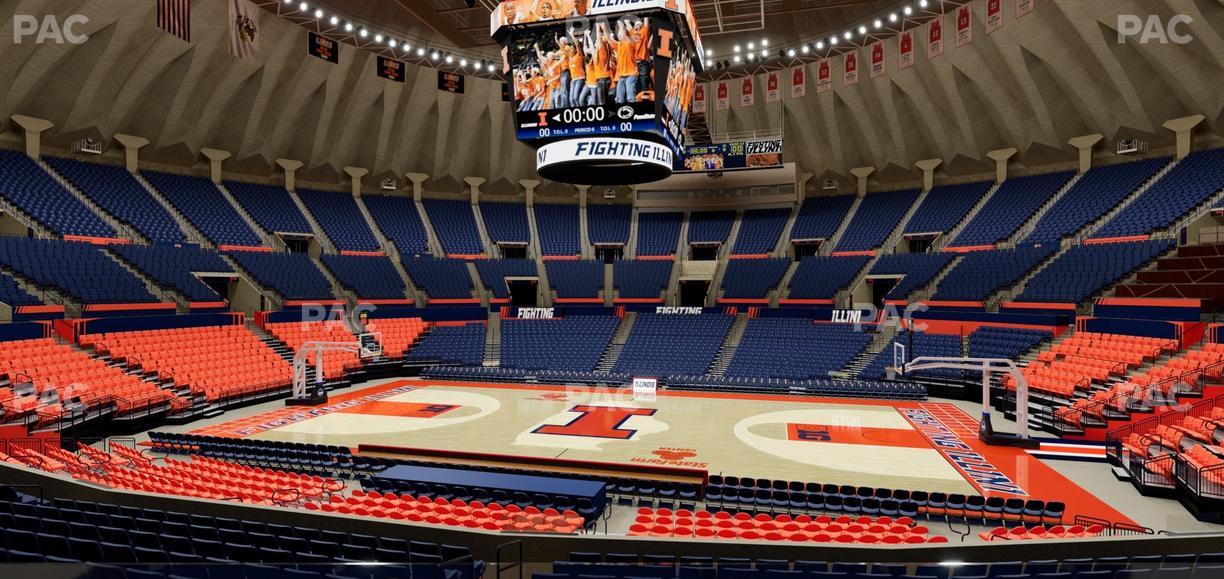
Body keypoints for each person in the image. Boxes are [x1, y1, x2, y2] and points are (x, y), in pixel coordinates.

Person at [613, 20, 638, 104]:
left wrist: (621, 23)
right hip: (621, 75)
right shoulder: (619, 45)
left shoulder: (630, 42)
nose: (619, 34)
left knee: (630, 97)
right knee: (619, 99)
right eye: (618, 33)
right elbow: (610, 41)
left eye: (620, 32)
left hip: (631, 73)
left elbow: (625, 33)